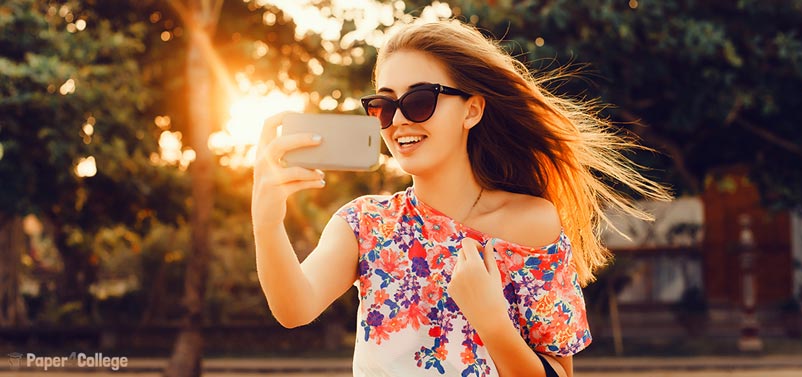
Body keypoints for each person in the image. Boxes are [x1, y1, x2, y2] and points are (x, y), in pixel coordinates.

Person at [252, 19, 670, 377]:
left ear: (472, 110)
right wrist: (267, 221)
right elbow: (294, 309)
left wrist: (491, 319)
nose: (397, 120)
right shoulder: (364, 222)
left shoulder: (531, 222)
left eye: (418, 101)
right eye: (383, 105)